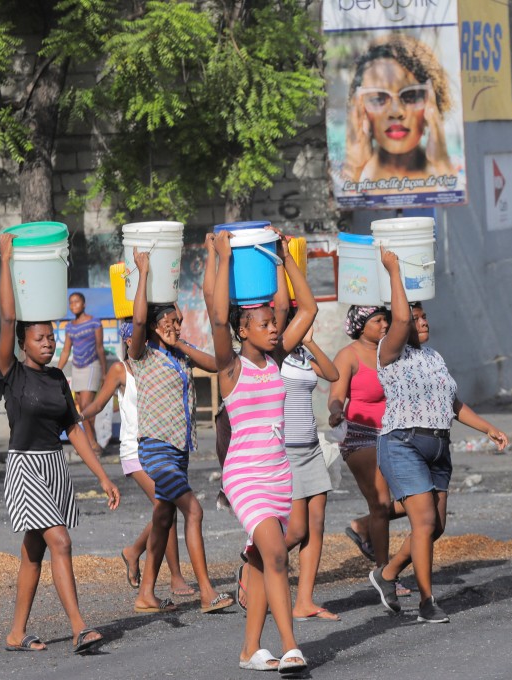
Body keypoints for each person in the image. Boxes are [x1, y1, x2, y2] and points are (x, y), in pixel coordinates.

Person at [368, 248, 508, 623]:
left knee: (436, 527)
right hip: (403, 443)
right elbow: (398, 317)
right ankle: (427, 602)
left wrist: (488, 427)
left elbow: (454, 403)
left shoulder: (433, 357)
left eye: (424, 315)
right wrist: (394, 269)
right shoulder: (389, 352)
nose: (422, 321)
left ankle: (386, 573)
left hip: (438, 447)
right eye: (415, 318)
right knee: (425, 523)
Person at [0, 232, 120, 654]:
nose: (48, 343)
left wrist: (103, 477)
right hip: (25, 467)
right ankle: (81, 627)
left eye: (51, 338)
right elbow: (8, 319)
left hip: (54, 467)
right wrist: (6, 261)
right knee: (60, 541)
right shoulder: (11, 373)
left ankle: (16, 632)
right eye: (39, 338)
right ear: (23, 344)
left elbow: (75, 430)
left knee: (34, 550)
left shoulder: (57, 379)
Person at [209, 229, 315, 673]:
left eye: (275, 323)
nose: (274, 329)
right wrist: (225, 258)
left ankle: (250, 650)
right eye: (265, 323)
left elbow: (306, 308)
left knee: (268, 551)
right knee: (276, 554)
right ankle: (291, 646)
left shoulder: (277, 359)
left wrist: (281, 258)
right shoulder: (230, 367)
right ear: (243, 329)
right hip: (244, 475)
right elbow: (216, 317)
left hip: (278, 471)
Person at [128, 249, 233, 615]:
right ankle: (207, 592)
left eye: (179, 319)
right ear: (156, 325)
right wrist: (143, 274)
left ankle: (145, 594)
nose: (177, 325)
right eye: (171, 321)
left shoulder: (178, 355)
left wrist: (182, 343)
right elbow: (139, 322)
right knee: (194, 511)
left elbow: (221, 364)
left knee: (163, 516)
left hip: (178, 450)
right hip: (156, 449)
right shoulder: (141, 354)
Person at [79, 319, 195, 597]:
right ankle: (169, 574)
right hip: (134, 449)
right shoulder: (121, 370)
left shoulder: (156, 365)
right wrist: (77, 416)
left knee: (166, 508)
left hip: (162, 444)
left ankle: (138, 554)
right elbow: (98, 403)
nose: (143, 343)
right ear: (129, 341)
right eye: (137, 338)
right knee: (165, 506)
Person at [328, 306, 408, 582]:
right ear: (362, 326)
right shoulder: (348, 356)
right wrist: (335, 411)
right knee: (381, 502)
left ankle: (363, 526)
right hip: (361, 433)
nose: (385, 324)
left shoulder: (392, 352)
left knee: (420, 498)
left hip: (395, 432)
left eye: (386, 319)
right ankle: (385, 573)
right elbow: (336, 395)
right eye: (378, 320)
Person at [281, 321, 341, 622]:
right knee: (296, 530)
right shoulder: (274, 355)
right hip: (285, 450)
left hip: (311, 448)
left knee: (317, 524)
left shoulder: (302, 356)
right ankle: (254, 561)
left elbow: (332, 374)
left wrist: (311, 343)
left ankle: (304, 601)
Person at [342, 34, 454, 189]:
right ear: (359, 107)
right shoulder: (348, 175)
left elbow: (460, 208)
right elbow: (343, 209)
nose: (396, 112)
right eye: (378, 98)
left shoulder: (451, 170)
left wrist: (442, 162)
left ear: (432, 102)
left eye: (410, 96)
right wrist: (354, 166)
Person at [57, 292, 108, 455]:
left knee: (86, 407)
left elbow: (100, 348)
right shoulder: (70, 327)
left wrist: (105, 372)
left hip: (92, 366)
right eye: (71, 303)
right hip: (77, 368)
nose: (73, 305)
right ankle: (90, 443)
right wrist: (57, 370)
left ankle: (93, 445)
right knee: (81, 407)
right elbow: (66, 351)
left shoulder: (95, 322)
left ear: (84, 304)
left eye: (76, 302)